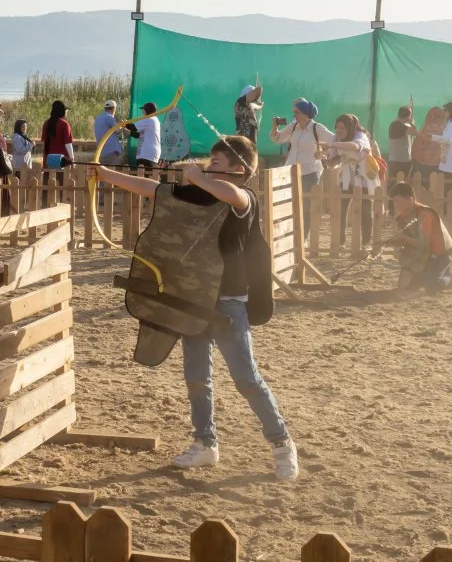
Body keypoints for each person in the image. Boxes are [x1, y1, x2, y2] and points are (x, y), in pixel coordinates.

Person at [90, 135, 298, 481]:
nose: (208, 166)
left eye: (217, 163)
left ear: (239, 170)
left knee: (246, 378)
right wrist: (106, 174)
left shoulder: (243, 197)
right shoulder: (203, 194)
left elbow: (235, 196)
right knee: (197, 378)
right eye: (209, 161)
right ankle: (205, 443)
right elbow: (153, 189)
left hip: (229, 304)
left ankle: (281, 444)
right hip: (194, 300)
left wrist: (199, 176)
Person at [269, 98, 335, 240]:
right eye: (294, 112)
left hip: (310, 172)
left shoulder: (317, 128)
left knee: (305, 207)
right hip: (291, 170)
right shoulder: (294, 126)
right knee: (288, 204)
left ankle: (303, 237)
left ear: (306, 113)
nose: (294, 115)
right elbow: (277, 138)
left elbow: (334, 141)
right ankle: (289, 235)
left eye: (297, 112)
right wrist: (275, 127)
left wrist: (323, 152)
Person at [389, 182, 452, 293]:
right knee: (407, 288)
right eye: (394, 201)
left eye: (397, 200)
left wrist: (403, 237)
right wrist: (393, 241)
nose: (395, 204)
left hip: (440, 255)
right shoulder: (403, 216)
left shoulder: (425, 215)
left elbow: (423, 244)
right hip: (422, 257)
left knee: (433, 286)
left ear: (410, 199)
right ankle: (445, 271)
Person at [320, 114, 378, 250]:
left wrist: (332, 144)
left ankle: (366, 243)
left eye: (342, 127)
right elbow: (335, 161)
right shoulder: (336, 139)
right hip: (346, 177)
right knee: (340, 209)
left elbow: (356, 147)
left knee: (365, 210)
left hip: (364, 177)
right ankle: (340, 242)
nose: (339, 130)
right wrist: (324, 158)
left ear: (350, 128)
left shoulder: (360, 136)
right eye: (337, 127)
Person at [423, 101, 452, 194]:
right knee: (445, 191)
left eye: (445, 110)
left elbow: (448, 139)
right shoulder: (450, 123)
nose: (444, 112)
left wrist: (432, 137)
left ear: (450, 112)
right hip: (447, 163)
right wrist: (432, 137)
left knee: (450, 192)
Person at [387, 105, 417, 181]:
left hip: (394, 160)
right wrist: (412, 123)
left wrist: (409, 123)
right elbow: (416, 133)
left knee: (395, 182)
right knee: (402, 182)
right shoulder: (400, 126)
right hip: (403, 161)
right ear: (408, 116)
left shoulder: (394, 124)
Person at [128, 102, 161, 169]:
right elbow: (140, 135)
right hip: (150, 154)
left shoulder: (149, 119)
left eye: (143, 109)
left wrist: (123, 123)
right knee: (149, 176)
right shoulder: (154, 120)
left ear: (146, 110)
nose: (142, 111)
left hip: (146, 154)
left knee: (142, 175)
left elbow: (133, 127)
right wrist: (129, 132)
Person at [41, 100, 74, 164]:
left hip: (48, 159)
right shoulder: (64, 124)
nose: (67, 111)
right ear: (62, 111)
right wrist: (72, 158)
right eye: (66, 110)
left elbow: (43, 143)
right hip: (61, 161)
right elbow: (68, 144)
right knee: (62, 174)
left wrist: (44, 158)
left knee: (49, 174)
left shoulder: (46, 123)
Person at [94, 100, 122, 166]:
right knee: (112, 173)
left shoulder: (98, 118)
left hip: (101, 152)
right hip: (111, 151)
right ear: (113, 109)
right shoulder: (109, 117)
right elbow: (117, 130)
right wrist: (121, 124)